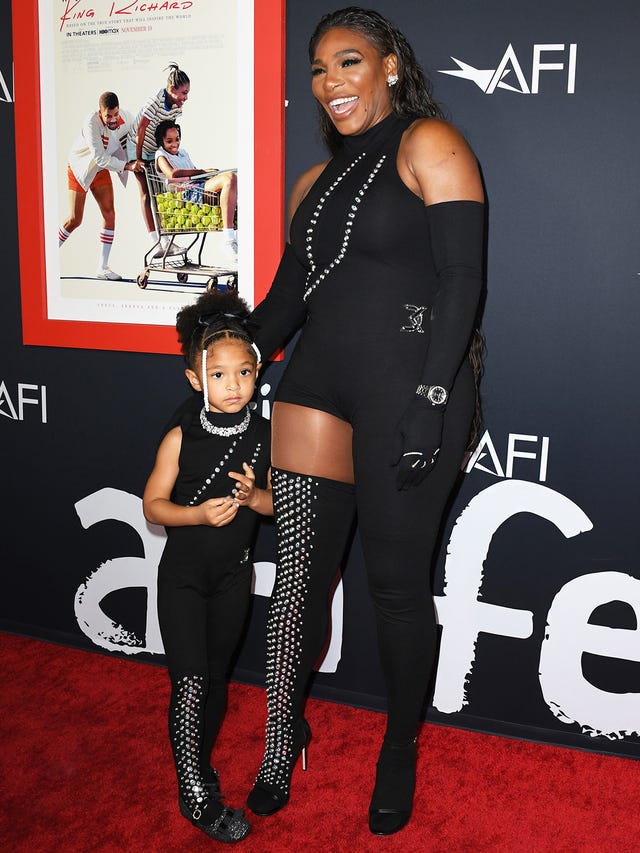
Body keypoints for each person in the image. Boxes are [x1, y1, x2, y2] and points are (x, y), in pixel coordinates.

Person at [245, 6, 485, 837]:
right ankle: (282, 737)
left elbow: (461, 280)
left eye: (348, 62)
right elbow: (284, 305)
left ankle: (400, 746)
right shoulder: (310, 185)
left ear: (388, 66)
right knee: (296, 582)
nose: (330, 82)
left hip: (409, 393)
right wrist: (218, 345)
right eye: (317, 70)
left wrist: (432, 396)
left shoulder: (431, 144)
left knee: (393, 588)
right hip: (316, 390)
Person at [143, 289, 273, 844]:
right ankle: (195, 793)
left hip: (233, 579)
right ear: (196, 379)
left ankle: (195, 760)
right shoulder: (181, 434)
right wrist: (195, 514)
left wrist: (252, 499)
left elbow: (280, 504)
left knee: (215, 682)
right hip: (184, 580)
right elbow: (153, 505)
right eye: (219, 375)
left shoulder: (267, 435)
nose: (234, 384)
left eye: (244, 372)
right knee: (191, 683)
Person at [58, 91, 144, 280]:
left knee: (109, 214)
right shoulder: (91, 122)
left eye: (115, 114)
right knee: (75, 219)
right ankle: (50, 257)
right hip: (80, 169)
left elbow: (134, 137)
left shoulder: (126, 117)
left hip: (101, 169)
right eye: (108, 116)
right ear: (100, 112)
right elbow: (99, 157)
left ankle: (102, 268)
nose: (113, 119)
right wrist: (128, 166)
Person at [154, 119, 238, 262]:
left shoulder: (183, 153)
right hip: (186, 194)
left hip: (197, 187)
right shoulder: (160, 155)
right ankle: (229, 240)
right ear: (161, 141)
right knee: (229, 178)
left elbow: (193, 174)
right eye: (169, 141)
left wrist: (208, 174)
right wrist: (203, 171)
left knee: (236, 181)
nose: (175, 144)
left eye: (177, 139)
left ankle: (237, 238)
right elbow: (172, 174)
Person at [129, 63, 191, 256]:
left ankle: (166, 242)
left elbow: (169, 133)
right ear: (172, 90)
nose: (186, 98)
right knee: (146, 195)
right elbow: (141, 129)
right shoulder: (154, 102)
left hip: (154, 150)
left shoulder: (176, 109)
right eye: (183, 93)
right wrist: (138, 159)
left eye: (187, 93)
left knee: (161, 195)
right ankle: (155, 243)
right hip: (137, 146)